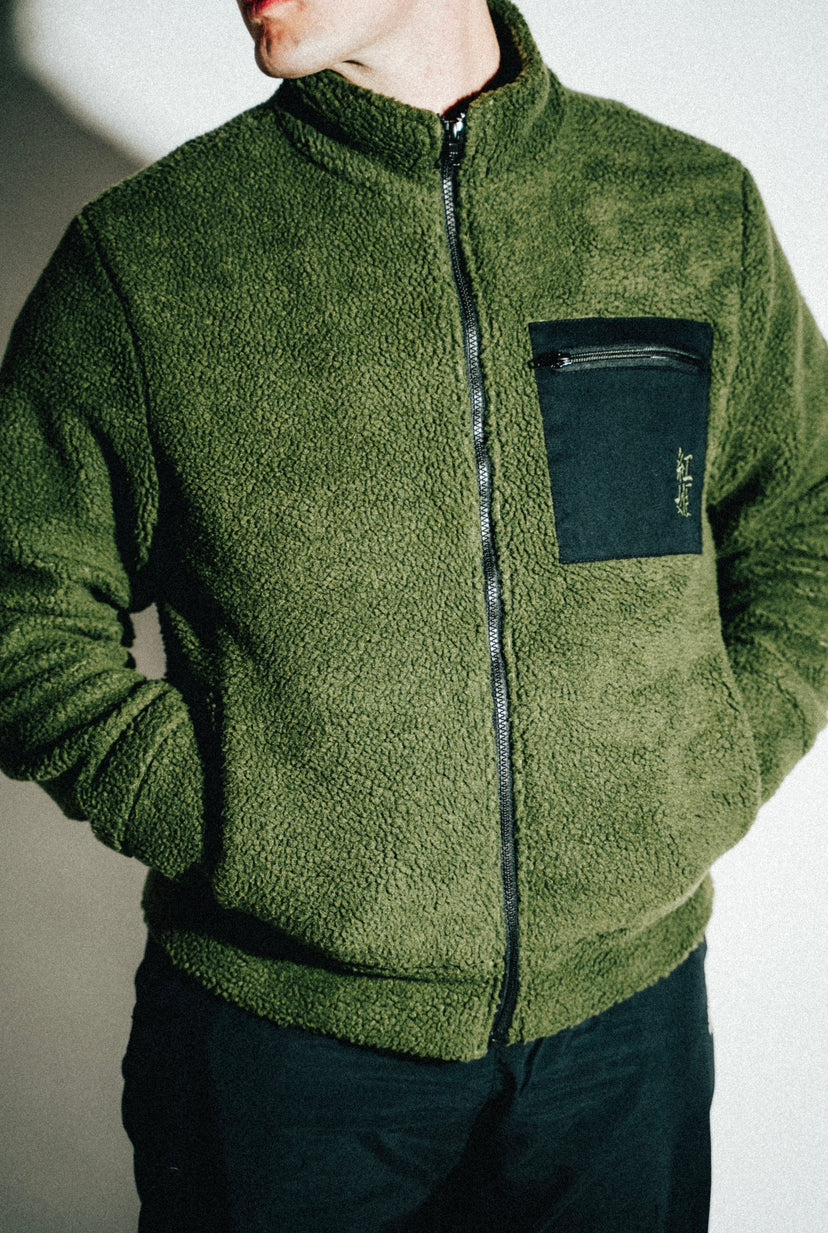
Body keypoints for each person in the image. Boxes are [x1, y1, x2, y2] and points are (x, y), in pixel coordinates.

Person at [1, 0, 826, 1228]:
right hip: (285, 1061)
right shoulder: (150, 253)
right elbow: (22, 605)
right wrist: (233, 825)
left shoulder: (684, 207)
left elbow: (805, 515)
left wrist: (717, 761)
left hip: (626, 1039)